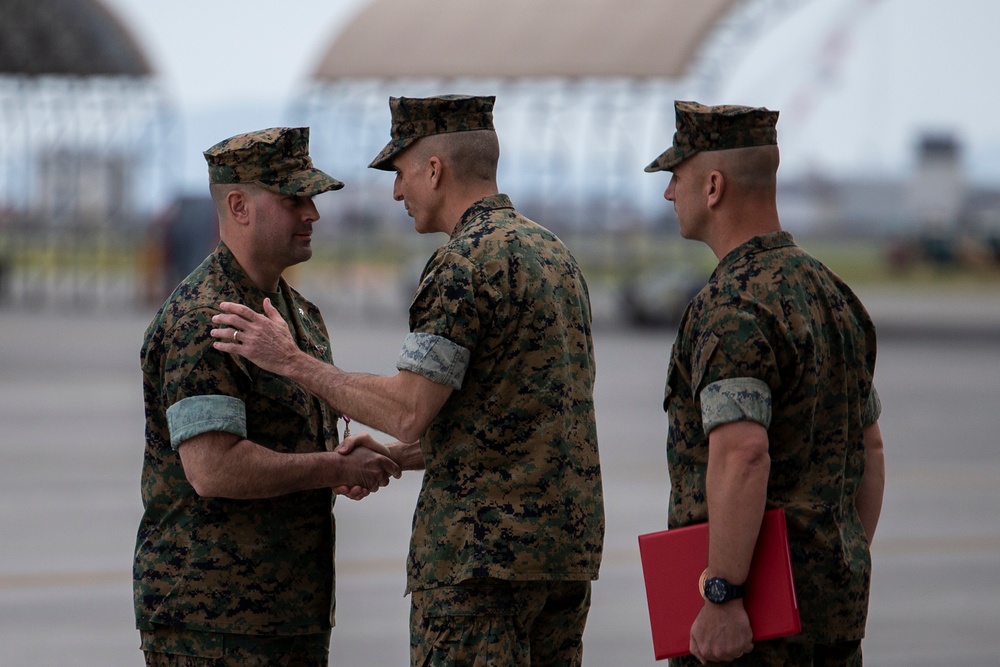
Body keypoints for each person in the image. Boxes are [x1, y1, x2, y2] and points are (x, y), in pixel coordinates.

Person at [209, 95, 606, 666]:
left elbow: (407, 408)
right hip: (563, 556)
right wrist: (400, 455)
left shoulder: (462, 265)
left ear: (435, 170)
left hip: (480, 566)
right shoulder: (553, 254)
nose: (397, 193)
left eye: (400, 174)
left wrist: (293, 361)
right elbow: (514, 416)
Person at [134, 127, 400, 667]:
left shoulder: (297, 316)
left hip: (288, 615)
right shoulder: (207, 319)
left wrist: (340, 461)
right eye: (293, 198)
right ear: (239, 205)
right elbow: (213, 469)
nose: (313, 214)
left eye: (313, 198)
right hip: (214, 624)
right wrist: (331, 468)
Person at [644, 101, 886, 666]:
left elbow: (743, 453)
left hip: (755, 631)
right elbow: (869, 448)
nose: (666, 193)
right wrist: (832, 561)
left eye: (675, 177)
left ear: (712, 187)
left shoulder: (732, 306)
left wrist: (723, 594)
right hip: (829, 618)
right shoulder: (834, 295)